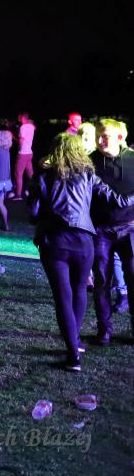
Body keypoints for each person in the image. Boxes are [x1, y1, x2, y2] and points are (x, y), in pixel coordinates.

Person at [27, 133, 133, 371]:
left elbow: (32, 214)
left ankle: (73, 354)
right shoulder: (88, 175)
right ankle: (73, 344)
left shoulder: (43, 177)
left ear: (55, 150)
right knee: (79, 290)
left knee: (63, 297)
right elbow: (118, 200)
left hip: (55, 241)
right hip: (84, 241)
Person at [88, 119, 134, 345]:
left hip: (130, 227)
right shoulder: (90, 161)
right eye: (98, 135)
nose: (99, 140)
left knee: (133, 278)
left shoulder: (133, 159)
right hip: (101, 230)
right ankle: (104, 330)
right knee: (102, 282)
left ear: (119, 137)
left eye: (104, 136)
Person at [11, 113, 36, 201]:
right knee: (30, 174)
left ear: (22, 118)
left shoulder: (23, 127)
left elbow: (20, 142)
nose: (18, 119)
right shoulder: (32, 126)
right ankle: (32, 191)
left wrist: (13, 137)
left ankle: (18, 195)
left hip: (23, 153)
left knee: (18, 174)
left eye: (19, 118)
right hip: (30, 153)